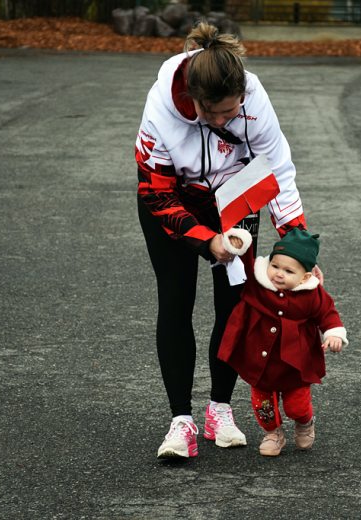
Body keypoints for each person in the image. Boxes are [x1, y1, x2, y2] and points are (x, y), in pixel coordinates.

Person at [136, 21, 322, 459]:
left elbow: (278, 173)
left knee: (236, 305)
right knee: (176, 300)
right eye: (211, 112)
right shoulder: (161, 106)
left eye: (229, 112)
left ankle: (219, 409)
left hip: (235, 196)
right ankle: (181, 420)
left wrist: (297, 248)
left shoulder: (254, 97)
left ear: (242, 94)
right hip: (173, 200)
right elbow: (155, 191)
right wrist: (206, 241)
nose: (221, 120)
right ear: (192, 98)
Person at [217, 230, 348, 456]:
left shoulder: (311, 293)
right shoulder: (258, 282)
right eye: (275, 266)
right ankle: (272, 434)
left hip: (295, 363)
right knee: (263, 405)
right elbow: (245, 259)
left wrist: (333, 333)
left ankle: (304, 422)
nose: (278, 274)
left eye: (289, 271)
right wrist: (239, 242)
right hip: (259, 359)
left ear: (305, 278)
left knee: (297, 405)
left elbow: (327, 313)